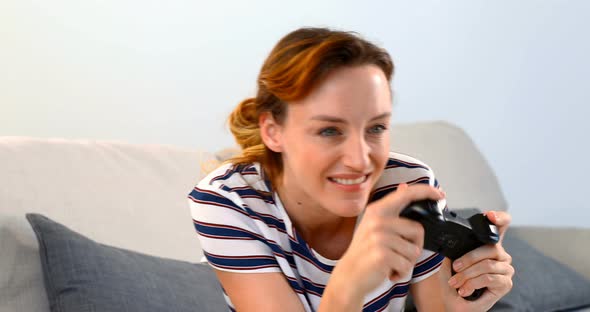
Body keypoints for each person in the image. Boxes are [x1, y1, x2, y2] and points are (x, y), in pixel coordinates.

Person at [188, 27, 514, 311]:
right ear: (273, 132)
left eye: (376, 128)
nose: (360, 161)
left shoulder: (408, 184)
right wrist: (350, 282)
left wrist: (458, 307)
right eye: (329, 131)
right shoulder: (229, 201)